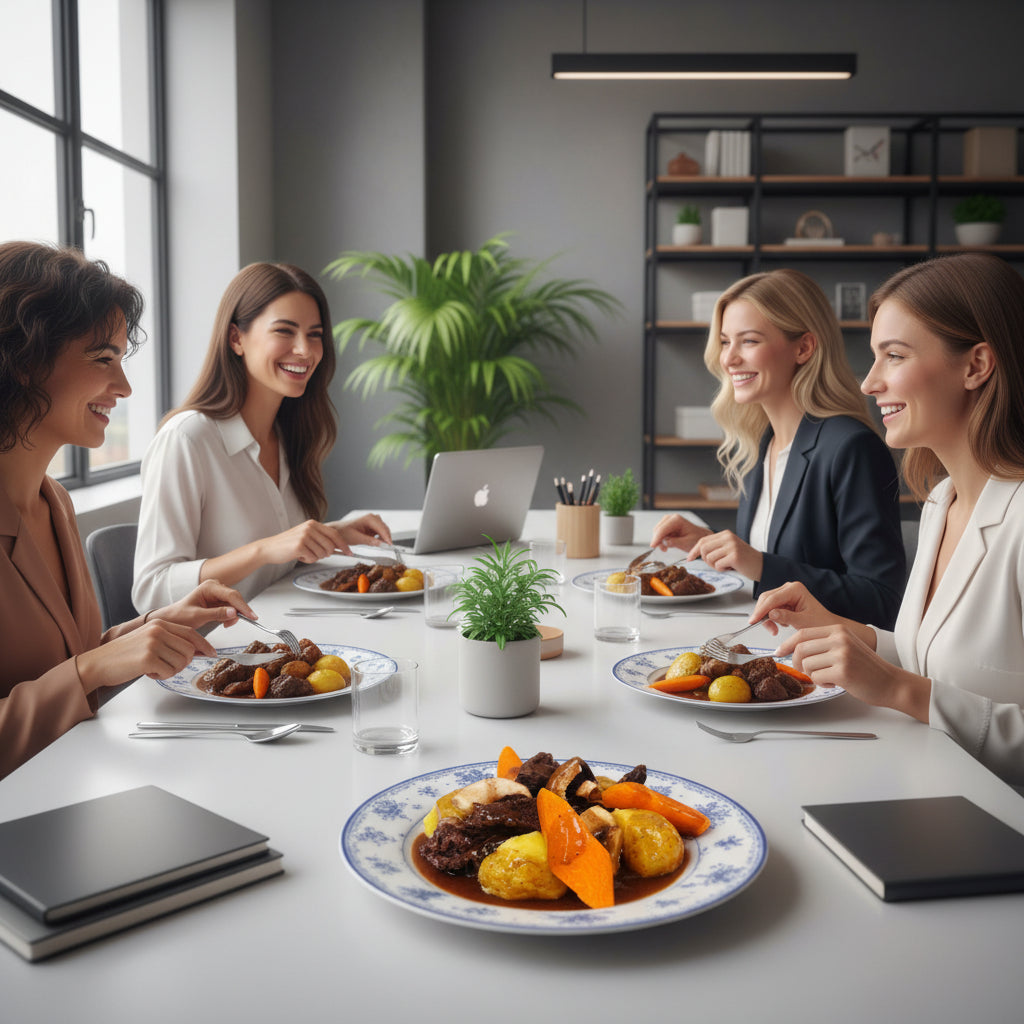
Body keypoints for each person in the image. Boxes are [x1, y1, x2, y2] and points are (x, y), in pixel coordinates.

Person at [755, 253, 1024, 786]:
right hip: (925, 788)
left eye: (894, 356)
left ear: (976, 365)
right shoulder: (943, 502)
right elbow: (943, 657)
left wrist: (901, 691)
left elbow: (929, 686)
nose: (868, 383)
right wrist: (842, 630)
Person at [0, 241, 253, 779]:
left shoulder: (54, 501)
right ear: (24, 361)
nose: (124, 386)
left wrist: (153, 629)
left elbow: (71, 666)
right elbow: (79, 672)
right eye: (103, 359)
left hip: (71, 788)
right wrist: (91, 666)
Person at [650, 268, 905, 627]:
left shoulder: (851, 448)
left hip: (820, 672)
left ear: (803, 348)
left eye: (749, 341)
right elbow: (779, 558)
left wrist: (758, 564)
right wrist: (714, 546)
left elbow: (881, 601)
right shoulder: (763, 441)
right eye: (725, 342)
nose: (729, 359)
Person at [132, 262, 392, 611]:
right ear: (236, 338)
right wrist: (264, 549)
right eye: (285, 331)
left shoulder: (288, 433)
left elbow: (278, 560)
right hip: (216, 648)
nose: (305, 349)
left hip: (281, 636)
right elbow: (151, 590)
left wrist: (331, 535)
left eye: (315, 334)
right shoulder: (187, 439)